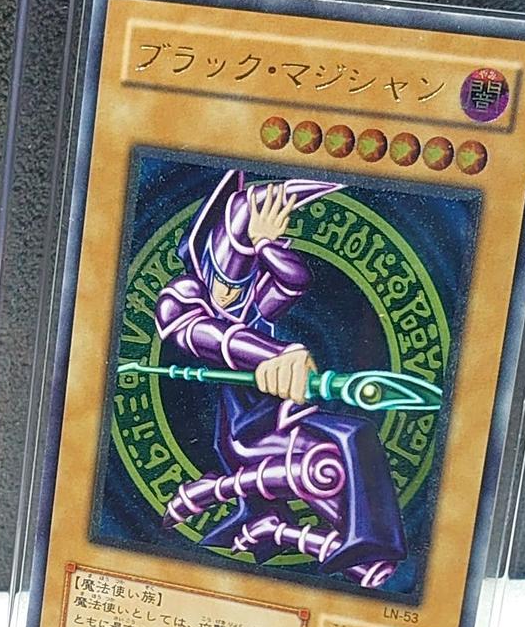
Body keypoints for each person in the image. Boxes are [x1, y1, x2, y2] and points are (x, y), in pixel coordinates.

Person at [154, 169, 406, 588]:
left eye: (241, 281)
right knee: (325, 462)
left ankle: (350, 544)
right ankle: (250, 506)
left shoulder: (252, 300)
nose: (232, 294)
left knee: (352, 437)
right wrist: (274, 354)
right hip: (246, 429)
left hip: (279, 412)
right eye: (225, 281)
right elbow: (205, 335)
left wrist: (266, 243)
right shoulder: (182, 298)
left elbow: (294, 280)